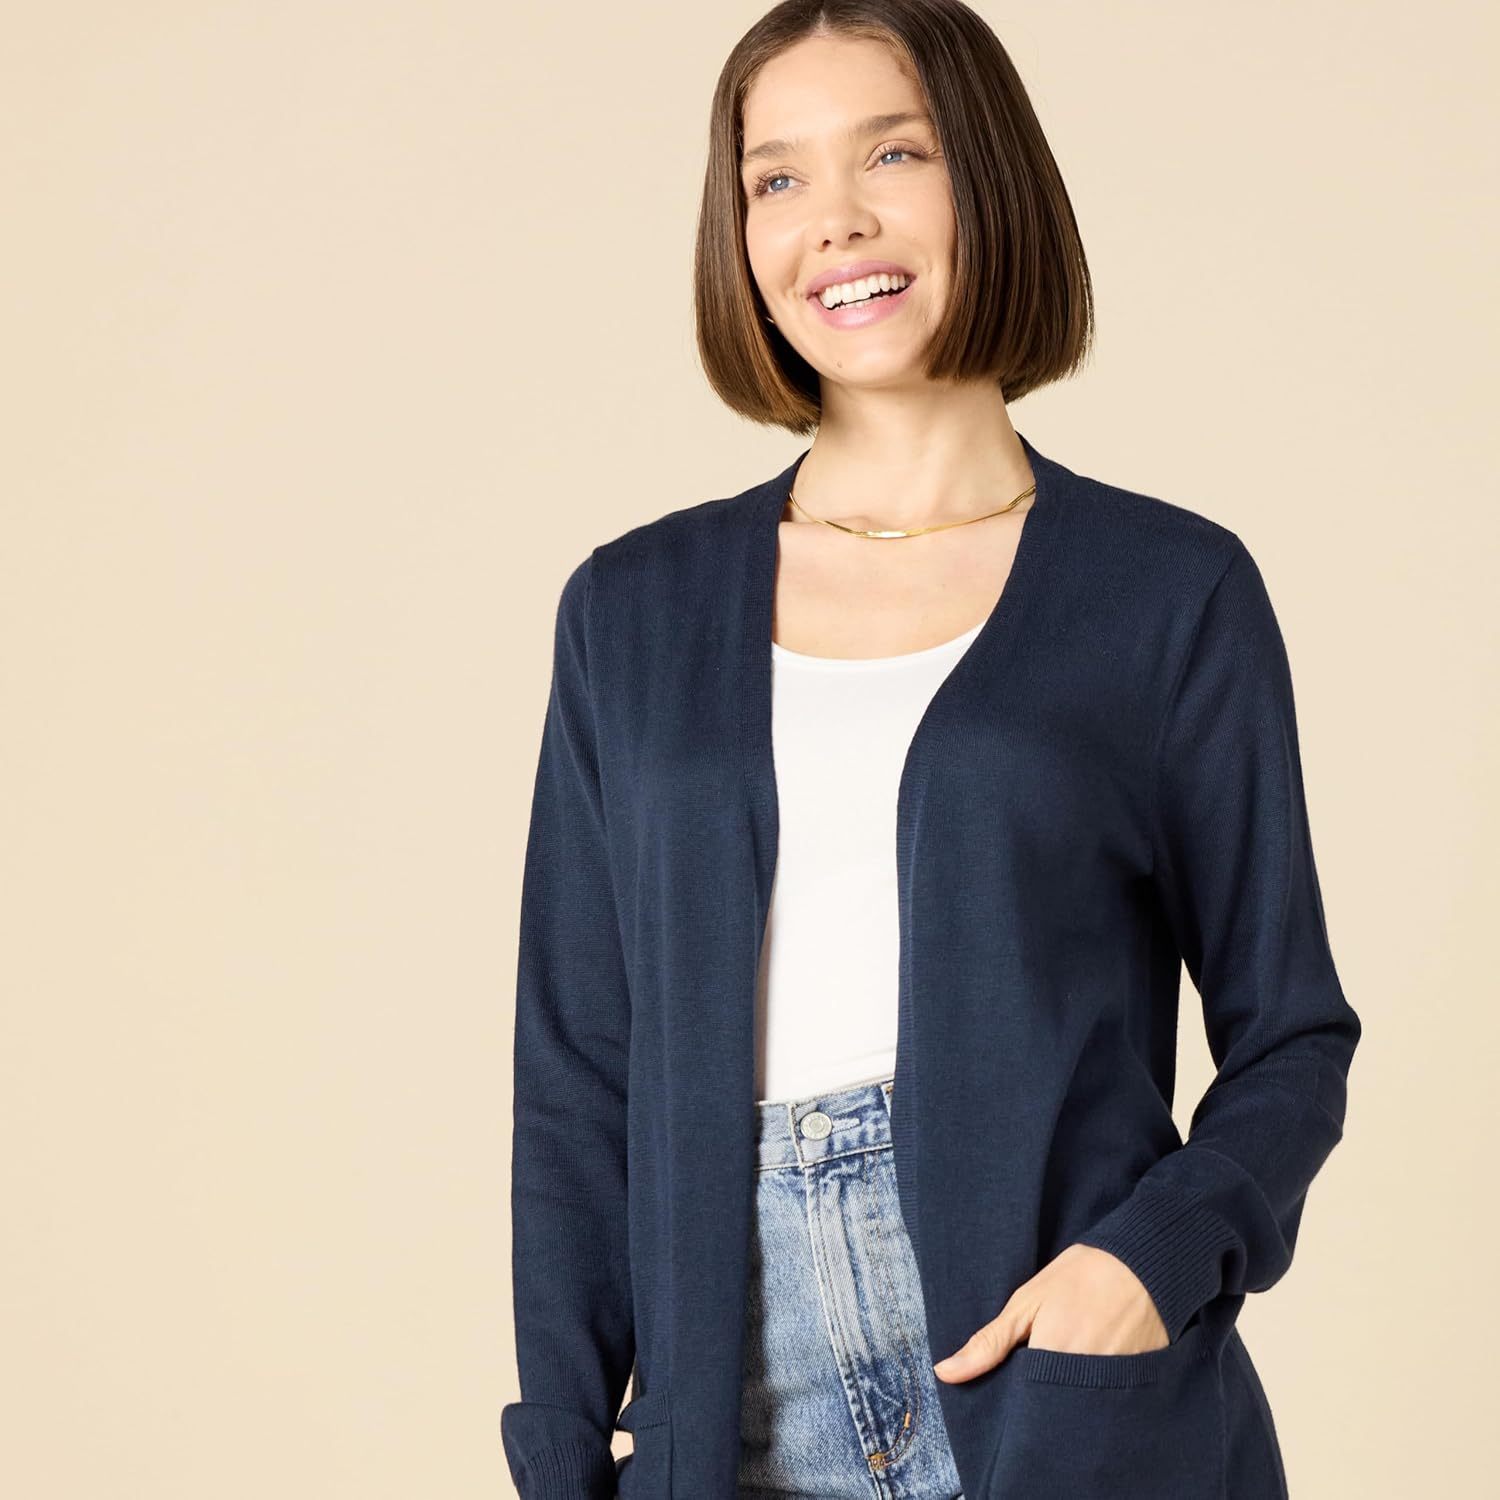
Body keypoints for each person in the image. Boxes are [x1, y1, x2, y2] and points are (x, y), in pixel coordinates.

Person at [501, 2, 1361, 1497]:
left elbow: (1291, 1036)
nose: (834, 219)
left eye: (893, 154)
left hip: (1057, 1390)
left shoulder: (1167, 593)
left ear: (989, 182)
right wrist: (567, 1447)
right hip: (727, 1411)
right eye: (777, 178)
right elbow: (578, 1079)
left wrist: (1144, 1265)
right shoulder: (629, 613)